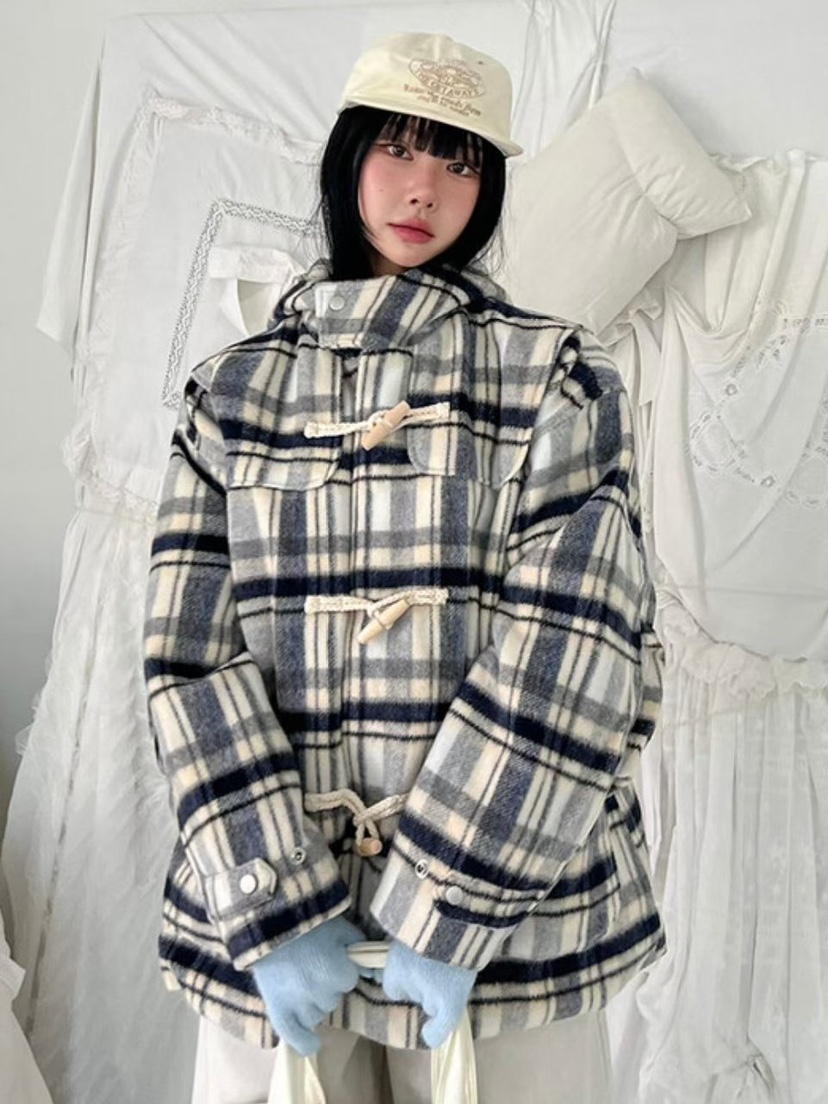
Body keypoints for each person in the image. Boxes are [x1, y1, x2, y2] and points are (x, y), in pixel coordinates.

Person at [143, 31, 664, 1104]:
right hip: (273, 942)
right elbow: (188, 660)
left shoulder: (554, 378)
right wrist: (275, 902)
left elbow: (577, 653)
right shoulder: (233, 394)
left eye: (460, 161)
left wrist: (448, 905)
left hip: (511, 931)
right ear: (347, 158)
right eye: (398, 148)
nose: (424, 189)